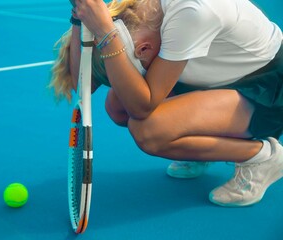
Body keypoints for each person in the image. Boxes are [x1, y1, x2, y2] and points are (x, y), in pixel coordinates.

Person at [50, 0, 283, 207]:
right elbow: (84, 86)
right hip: (218, 73)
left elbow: (141, 107)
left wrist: (105, 32)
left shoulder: (192, 11)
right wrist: (78, 16)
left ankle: (262, 157)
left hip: (264, 85)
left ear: (144, 49)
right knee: (117, 105)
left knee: (148, 130)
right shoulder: (140, 14)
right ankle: (203, 150)